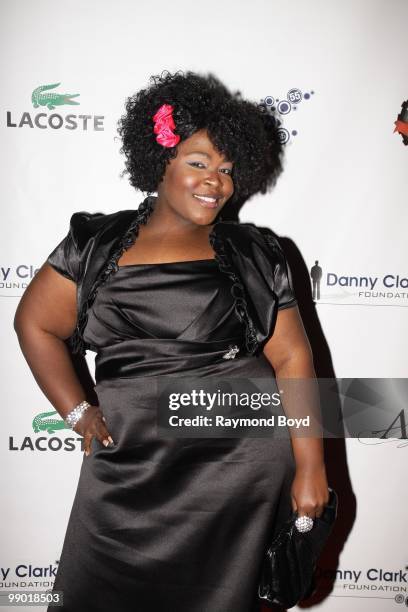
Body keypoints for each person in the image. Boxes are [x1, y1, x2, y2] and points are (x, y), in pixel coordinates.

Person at [14, 70, 329, 612]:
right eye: (198, 162)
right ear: (160, 161)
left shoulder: (255, 251)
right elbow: (34, 324)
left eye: (227, 169)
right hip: (128, 461)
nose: (216, 182)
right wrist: (76, 412)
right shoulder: (95, 243)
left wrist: (311, 466)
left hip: (236, 465)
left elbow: (292, 356)